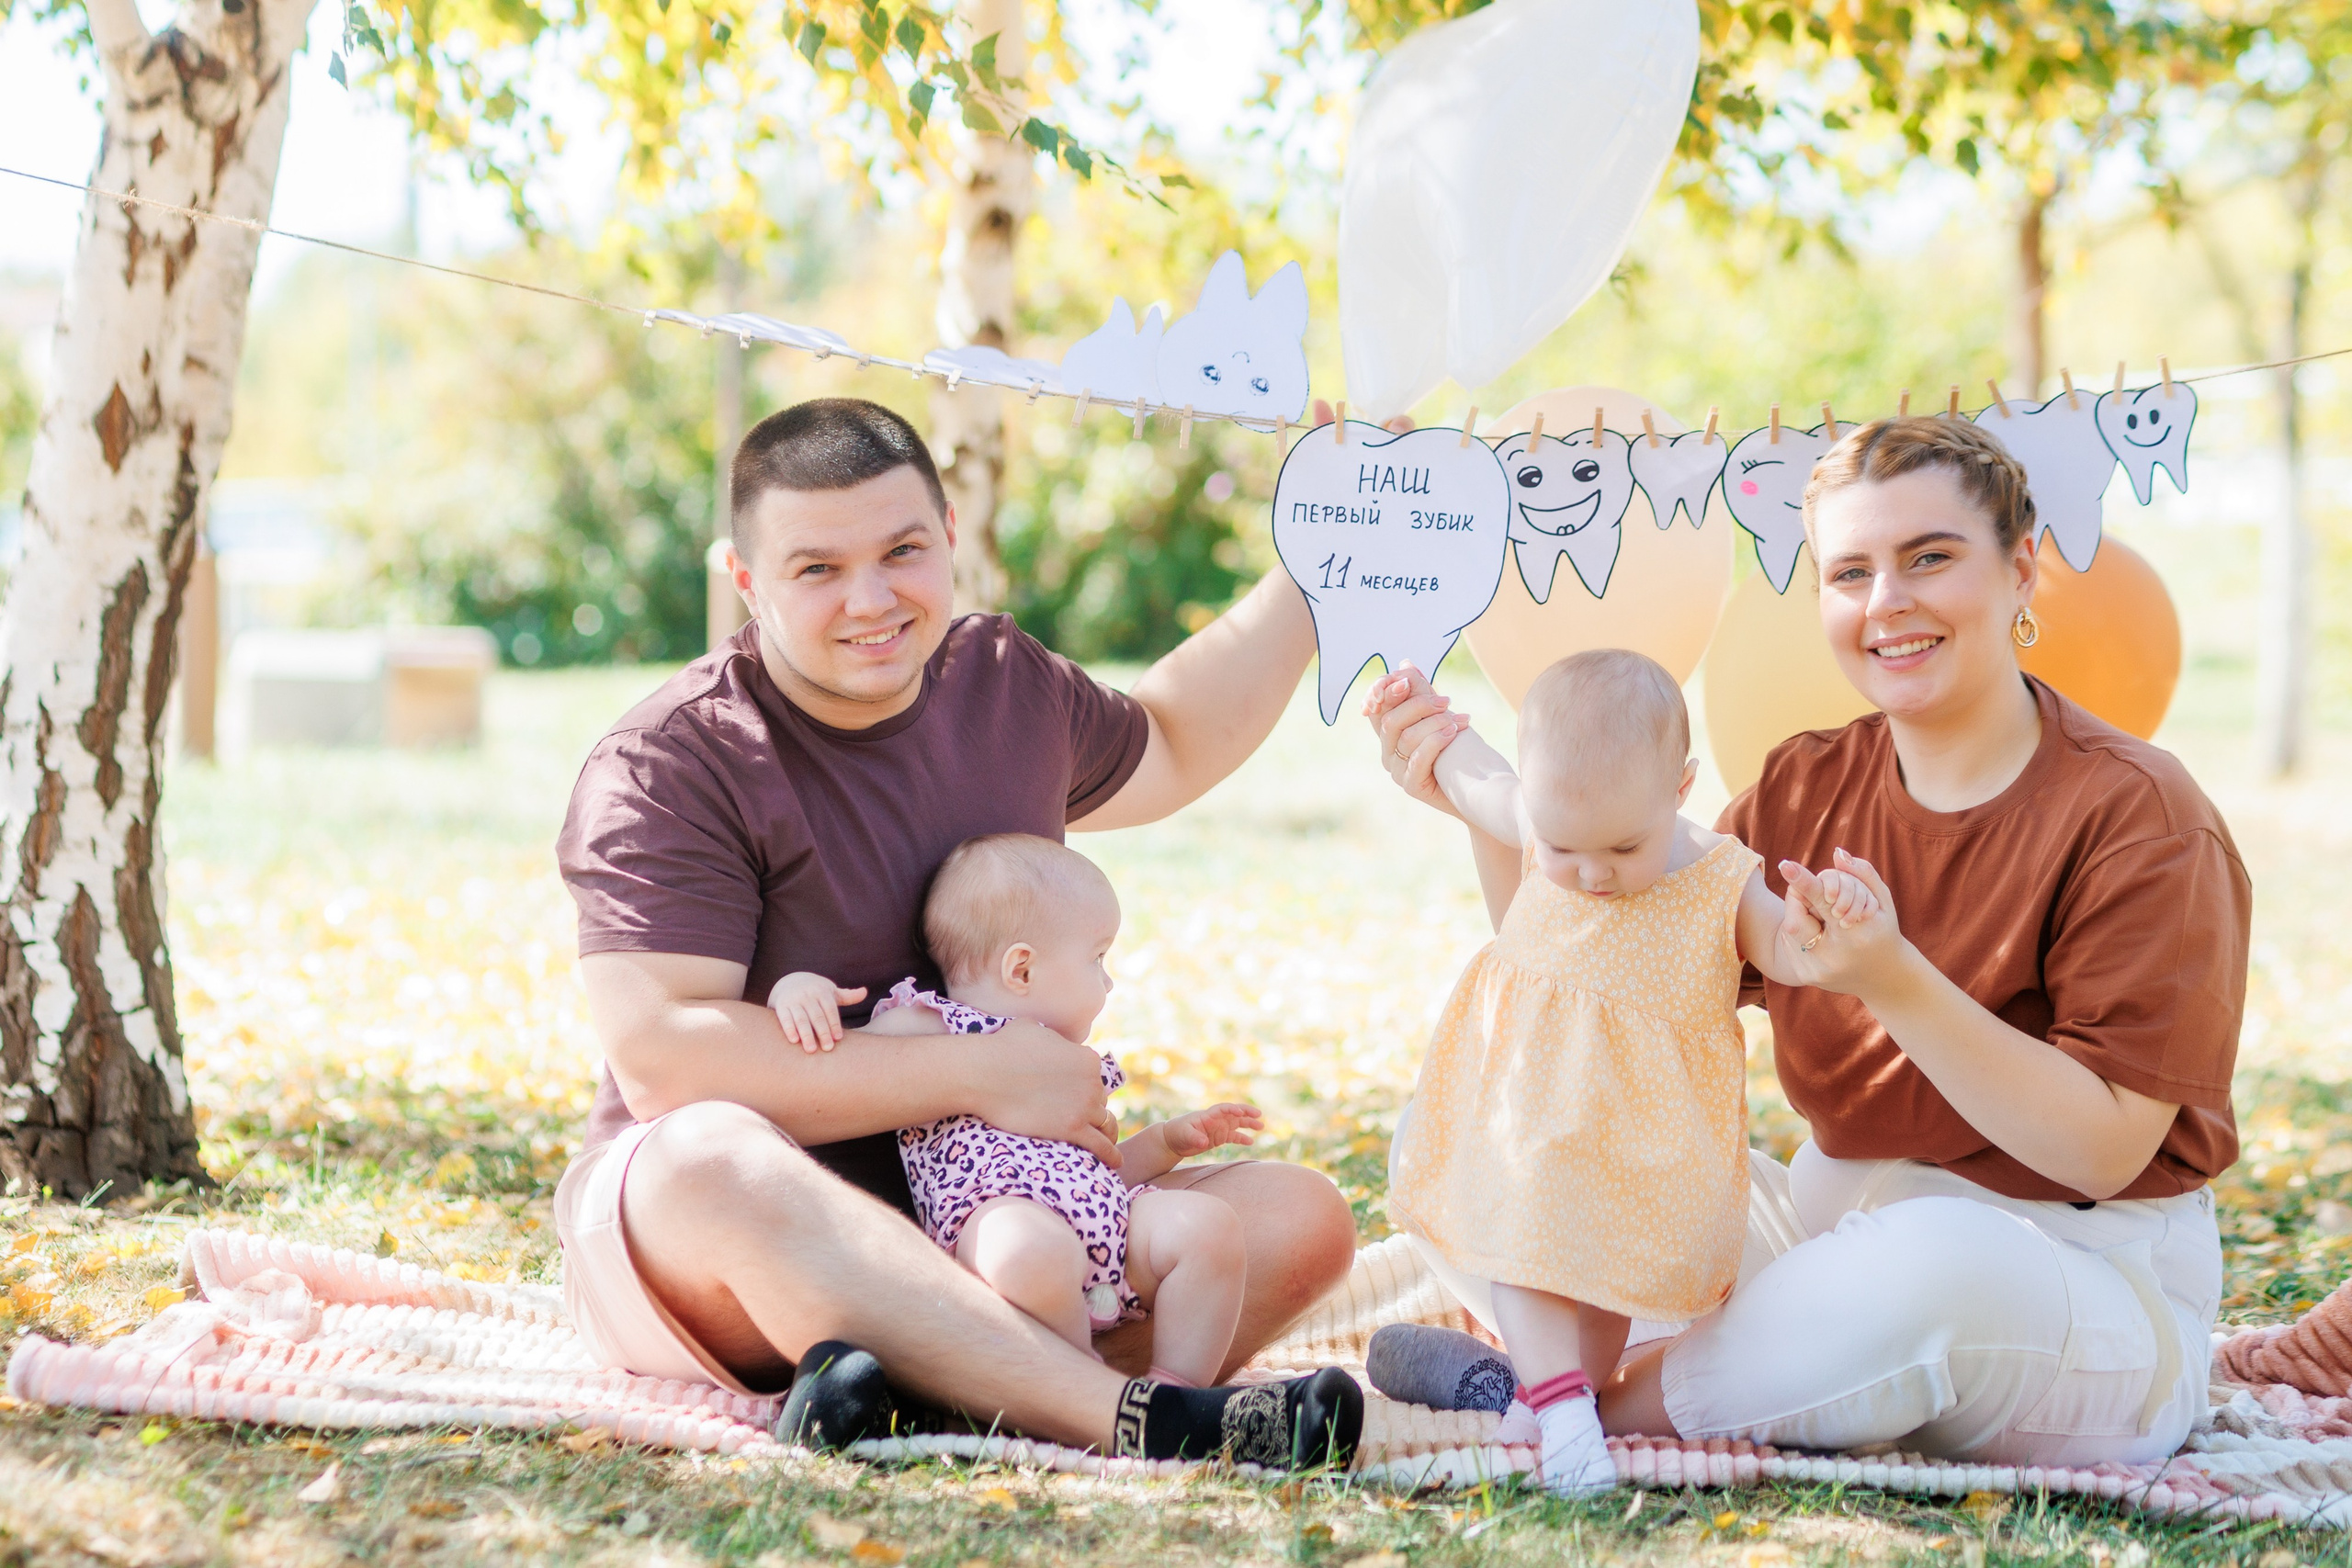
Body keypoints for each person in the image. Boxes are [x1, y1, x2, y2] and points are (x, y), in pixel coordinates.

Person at [1366, 415, 2248, 1467]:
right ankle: (1631, 1379)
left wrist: (1892, 978)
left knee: (1926, 1272)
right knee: (1492, 1121)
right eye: (1850, 572)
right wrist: (1499, 815)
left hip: (2068, 1280)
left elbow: (2100, 1148)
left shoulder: (2138, 813)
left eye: (1929, 558)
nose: (1888, 604)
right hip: (1824, 1245)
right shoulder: (1805, 783)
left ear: (2021, 574)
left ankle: (1568, 1402)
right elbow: (1590, 971)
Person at [553, 397, 1361, 1468]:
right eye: (817, 570)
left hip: (994, 1225)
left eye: (903, 552)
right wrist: (975, 1077)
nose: (871, 600)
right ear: (747, 582)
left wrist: (1322, 556)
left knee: (1296, 1219)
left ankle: (913, 1392)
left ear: (948, 536)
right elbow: (664, 1059)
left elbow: (1168, 737)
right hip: (740, 1253)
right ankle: (1128, 1419)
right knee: (705, 1159)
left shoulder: (999, 682)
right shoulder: (672, 761)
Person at [1367, 649, 1874, 1493]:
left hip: (1647, 1133)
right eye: (1566, 847)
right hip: (1530, 1107)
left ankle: (1557, 1398)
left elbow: (1787, 951)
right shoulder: (1535, 813)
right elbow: (1469, 769)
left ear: (1679, 788)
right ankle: (1563, 1408)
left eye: (1623, 847)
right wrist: (1421, 712)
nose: (1593, 873)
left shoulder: (1720, 877)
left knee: (1611, 1283)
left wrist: (1825, 925)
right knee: (1522, 1247)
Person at [788, 832, 1268, 1389]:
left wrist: (1165, 1143)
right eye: (1097, 958)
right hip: (999, 1235)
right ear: (1021, 970)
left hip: (1106, 1232)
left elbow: (1097, 1171)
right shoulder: (932, 1024)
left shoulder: (1064, 1063)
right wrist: (800, 991)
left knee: (1208, 1227)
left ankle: (1175, 1394)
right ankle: (1084, 1394)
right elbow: (846, 1062)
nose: (1109, 980)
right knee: (1028, 1251)